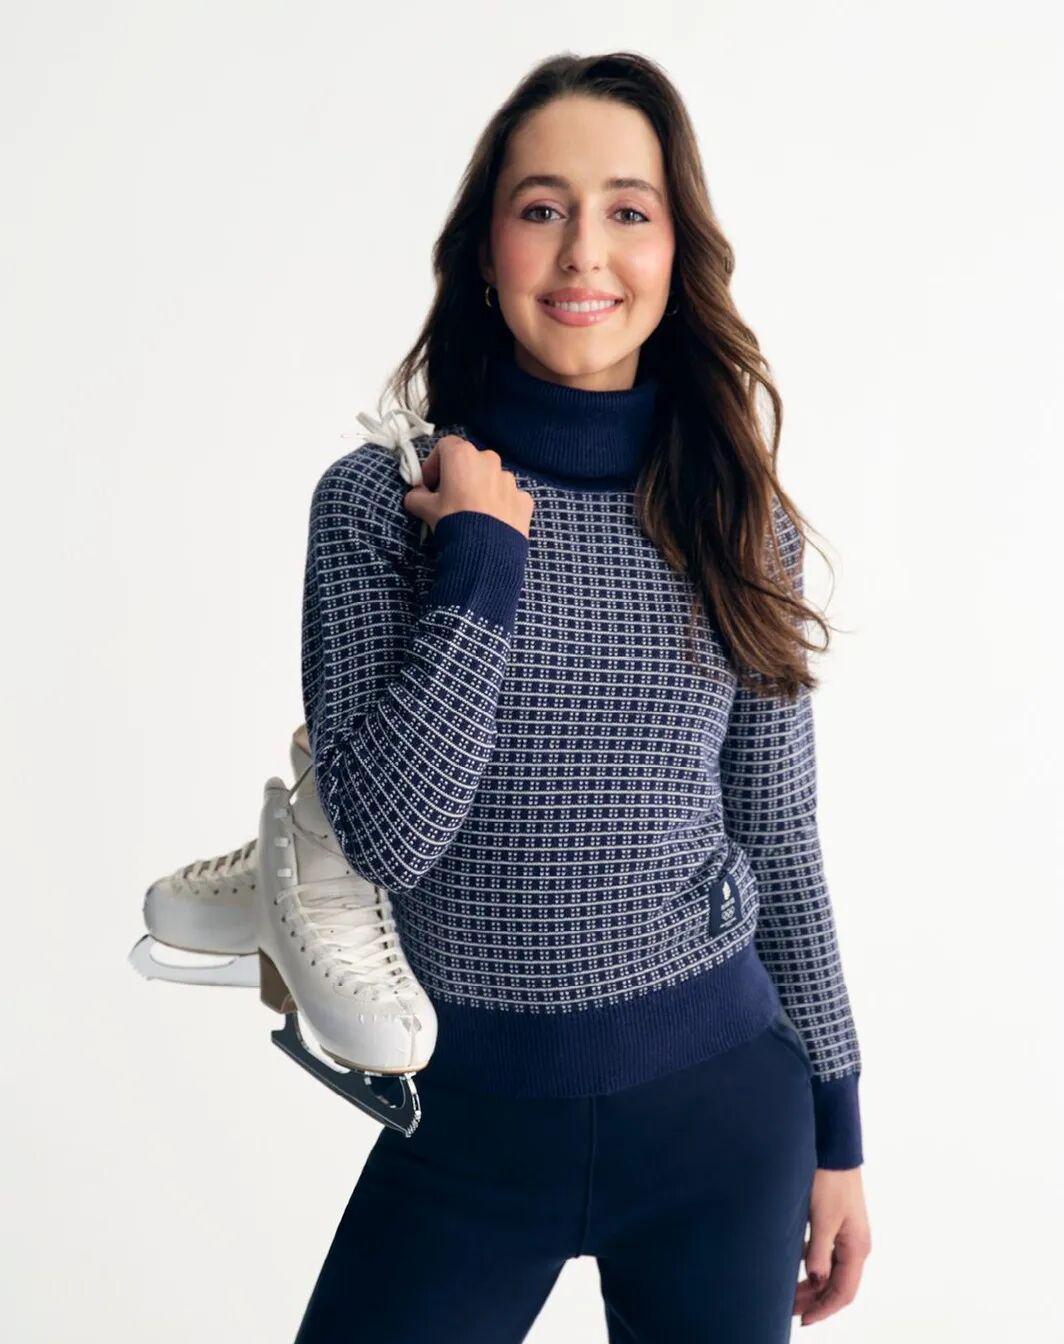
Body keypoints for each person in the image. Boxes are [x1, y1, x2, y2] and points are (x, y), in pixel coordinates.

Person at [294, 50, 871, 1343]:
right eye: (543, 207)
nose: (583, 254)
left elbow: (780, 838)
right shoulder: (378, 505)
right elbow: (389, 834)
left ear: (676, 252)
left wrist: (839, 1129)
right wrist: (480, 560)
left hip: (722, 1119)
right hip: (464, 1131)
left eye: (629, 210)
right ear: (484, 247)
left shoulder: (734, 520)